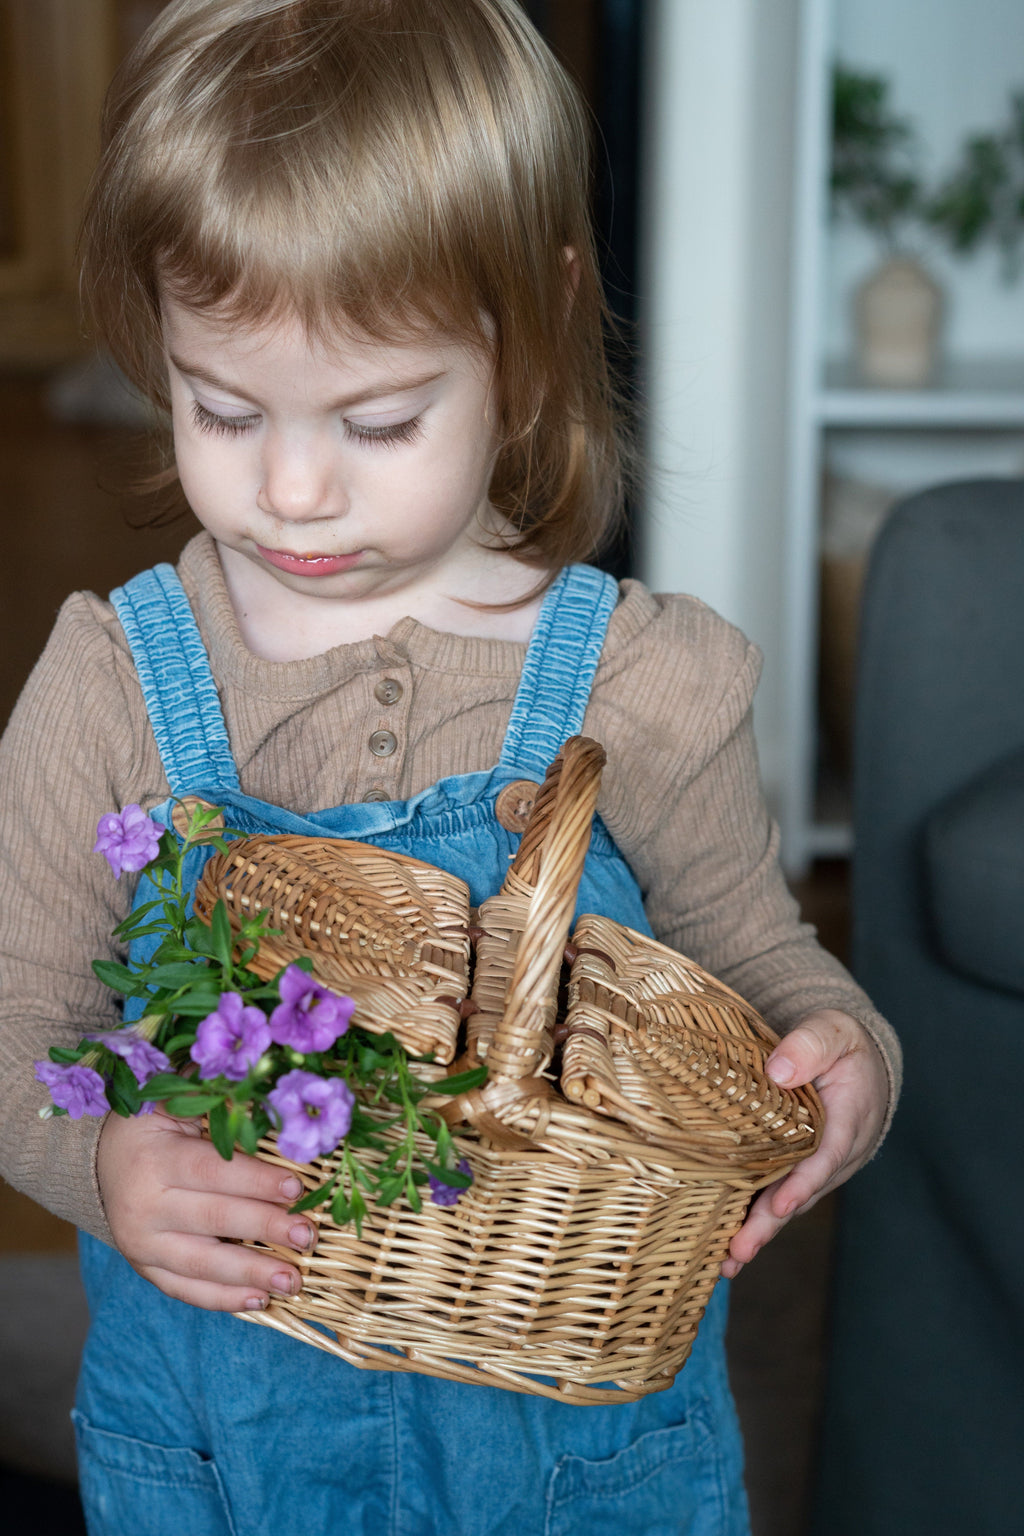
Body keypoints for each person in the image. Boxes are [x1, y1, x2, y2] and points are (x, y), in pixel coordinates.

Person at [0, 3, 898, 1532]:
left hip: (578, 1468)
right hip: (224, 1463)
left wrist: (846, 1057)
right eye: (223, 406)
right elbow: (19, 1021)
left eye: (378, 421)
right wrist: (100, 1163)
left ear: (527, 339)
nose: (290, 487)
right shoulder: (114, 684)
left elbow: (759, 960)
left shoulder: (643, 679)